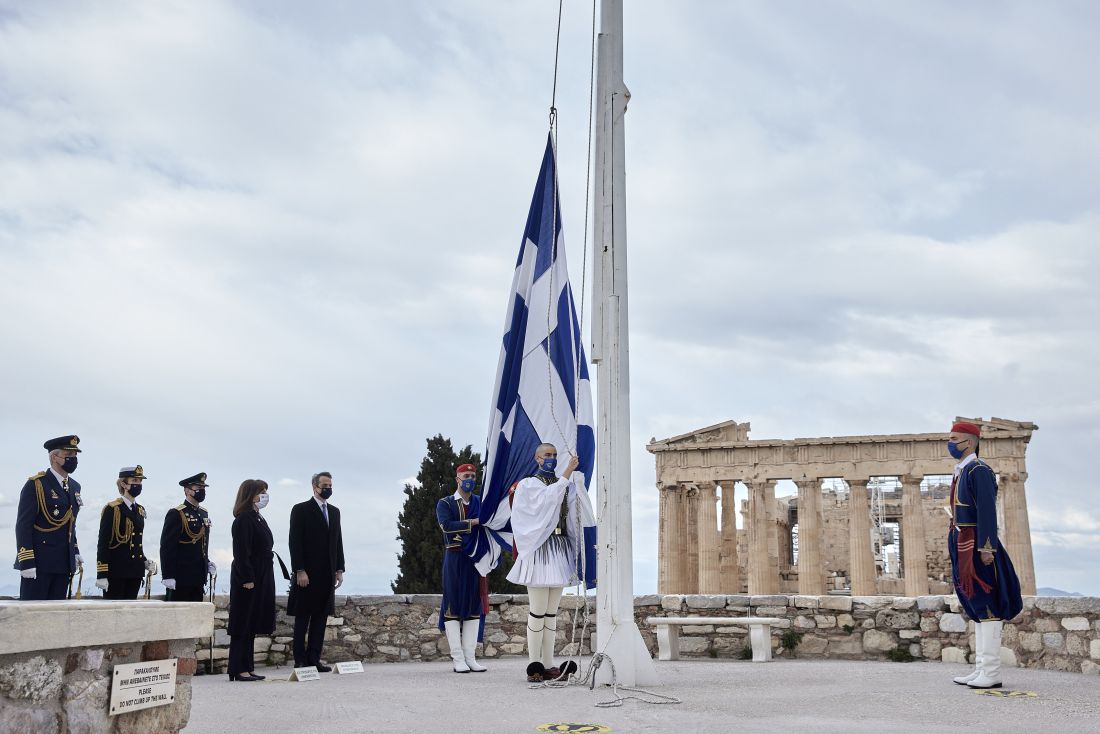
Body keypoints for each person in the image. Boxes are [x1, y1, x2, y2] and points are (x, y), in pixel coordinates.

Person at [507, 443, 594, 682]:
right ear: (536, 458)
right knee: (537, 611)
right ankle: (534, 664)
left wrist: (577, 485)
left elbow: (574, 513)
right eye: (547, 455)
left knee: (551, 613)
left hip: (559, 548)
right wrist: (567, 474)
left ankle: (548, 663)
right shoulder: (528, 485)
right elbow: (545, 501)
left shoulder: (564, 485)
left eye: (554, 455)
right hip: (539, 550)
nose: (552, 459)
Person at [946, 421, 1023, 690]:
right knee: (976, 605)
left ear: (969, 441)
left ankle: (991, 672)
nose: (950, 442)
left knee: (987, 604)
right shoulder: (962, 471)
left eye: (954, 438)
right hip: (963, 540)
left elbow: (987, 511)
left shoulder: (978, 470)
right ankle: (981, 668)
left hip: (977, 543)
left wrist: (987, 547)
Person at [288, 471, 345, 672]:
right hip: (307, 574)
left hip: (327, 574)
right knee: (303, 617)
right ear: (314, 486)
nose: (328, 489)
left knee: (321, 618)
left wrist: (339, 569)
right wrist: (299, 570)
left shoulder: (335, 512)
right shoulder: (301, 510)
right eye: (324, 485)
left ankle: (314, 658)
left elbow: (337, 542)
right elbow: (295, 542)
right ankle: (300, 660)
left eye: (330, 485)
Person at [15, 435, 85, 600]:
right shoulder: (37, 484)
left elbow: (70, 524)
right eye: (69, 455)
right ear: (55, 457)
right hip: (39, 564)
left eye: (75, 455)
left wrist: (74, 551)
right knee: (33, 619)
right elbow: (23, 526)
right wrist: (26, 562)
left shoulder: (75, 486)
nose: (73, 459)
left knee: (56, 619)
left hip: (63, 564)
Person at [436, 463, 487, 673]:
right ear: (457, 478)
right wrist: (473, 522)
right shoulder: (445, 502)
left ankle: (470, 657)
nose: (470, 479)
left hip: (475, 559)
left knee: (474, 607)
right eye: (466, 475)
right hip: (455, 557)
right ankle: (457, 659)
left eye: (473, 476)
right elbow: (446, 526)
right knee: (453, 606)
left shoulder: (480, 502)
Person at [227, 479, 276, 682]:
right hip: (249, 575)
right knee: (243, 623)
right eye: (261, 492)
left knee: (252, 622)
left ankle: (248, 666)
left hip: (262, 572)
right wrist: (247, 577)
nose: (264, 495)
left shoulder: (257, 517)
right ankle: (238, 669)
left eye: (265, 491)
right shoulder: (244, 519)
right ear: (250, 495)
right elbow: (241, 552)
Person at [95, 466, 156, 599]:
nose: (138, 485)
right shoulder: (112, 509)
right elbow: (103, 543)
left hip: (135, 572)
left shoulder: (140, 510)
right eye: (134, 480)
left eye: (140, 482)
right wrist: (102, 574)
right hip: (116, 572)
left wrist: (144, 561)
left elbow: (136, 541)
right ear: (123, 484)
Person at [161, 472, 216, 601]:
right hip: (181, 577)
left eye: (203, 488)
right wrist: (168, 575)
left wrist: (206, 563)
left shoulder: (204, 513)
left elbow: (201, 545)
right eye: (198, 488)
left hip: (198, 577)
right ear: (187, 490)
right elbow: (167, 546)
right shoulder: (176, 513)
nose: (201, 491)